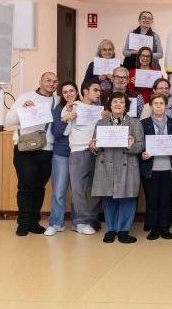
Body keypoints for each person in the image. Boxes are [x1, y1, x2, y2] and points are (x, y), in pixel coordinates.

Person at [5, 72, 59, 236]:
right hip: (25, 149)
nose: (51, 83)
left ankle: (34, 222)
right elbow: (8, 121)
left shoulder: (57, 101)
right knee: (25, 186)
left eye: (55, 81)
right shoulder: (25, 96)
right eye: (47, 80)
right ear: (40, 81)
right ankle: (23, 223)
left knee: (39, 187)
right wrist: (22, 110)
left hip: (47, 149)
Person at [90, 92, 144, 244]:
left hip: (127, 164)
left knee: (128, 198)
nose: (118, 104)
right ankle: (111, 230)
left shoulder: (134, 123)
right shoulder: (101, 123)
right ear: (110, 105)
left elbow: (141, 145)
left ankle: (124, 231)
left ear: (126, 106)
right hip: (106, 164)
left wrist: (131, 146)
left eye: (122, 102)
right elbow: (95, 146)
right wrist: (93, 147)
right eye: (115, 102)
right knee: (109, 198)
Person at [139, 93, 172, 240]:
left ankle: (165, 228)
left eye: (161, 103)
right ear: (150, 106)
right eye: (155, 103)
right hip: (150, 168)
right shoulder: (143, 124)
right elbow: (139, 145)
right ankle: (154, 228)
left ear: (166, 106)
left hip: (169, 168)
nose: (158, 106)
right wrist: (142, 154)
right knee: (152, 199)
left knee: (166, 199)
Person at [65, 79, 103, 235]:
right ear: (85, 91)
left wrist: (106, 116)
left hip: (96, 151)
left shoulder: (99, 109)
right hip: (79, 151)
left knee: (96, 188)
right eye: (95, 90)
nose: (99, 93)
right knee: (78, 189)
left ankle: (91, 219)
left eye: (100, 91)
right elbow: (63, 131)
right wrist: (68, 118)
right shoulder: (73, 106)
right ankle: (80, 222)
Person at [44, 81, 79, 236]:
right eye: (65, 92)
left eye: (71, 90)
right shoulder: (58, 109)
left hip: (80, 152)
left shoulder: (85, 107)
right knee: (59, 190)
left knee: (79, 191)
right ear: (62, 95)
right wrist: (65, 119)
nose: (69, 94)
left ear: (77, 92)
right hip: (62, 153)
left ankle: (79, 222)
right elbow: (56, 133)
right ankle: (56, 223)